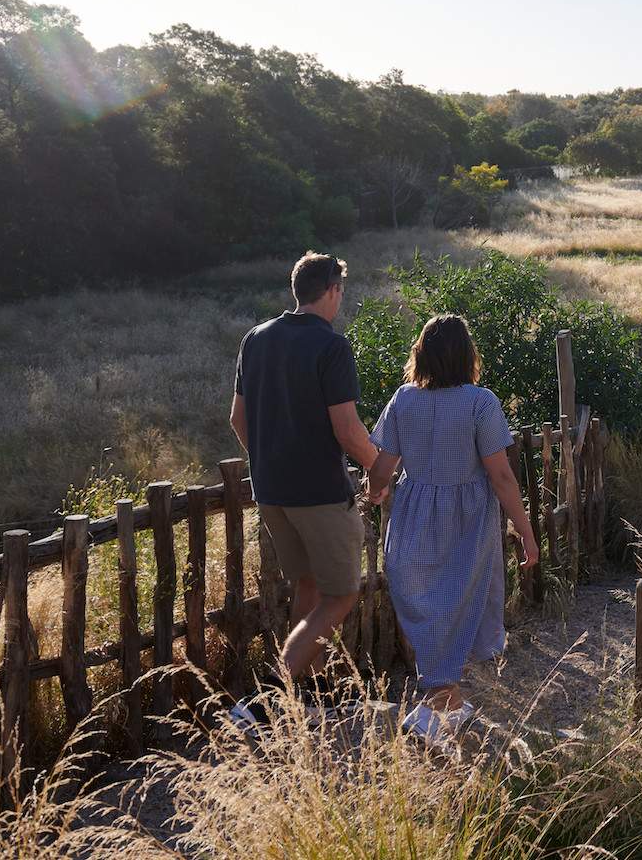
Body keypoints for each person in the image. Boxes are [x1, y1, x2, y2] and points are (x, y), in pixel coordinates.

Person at [365, 314, 540, 747]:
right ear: (466, 357)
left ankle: (448, 703)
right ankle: (433, 713)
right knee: (460, 603)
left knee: (433, 608)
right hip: (465, 525)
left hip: (412, 523)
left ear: (421, 354)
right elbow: (501, 476)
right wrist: (526, 531)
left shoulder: (403, 400)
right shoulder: (481, 403)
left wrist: (374, 492)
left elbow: (382, 469)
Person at [227, 252, 377, 729]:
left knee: (308, 585)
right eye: (341, 293)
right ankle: (269, 692)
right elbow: (349, 431)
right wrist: (382, 468)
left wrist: (271, 461)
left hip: (271, 491)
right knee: (342, 594)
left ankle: (311, 695)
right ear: (331, 290)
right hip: (319, 490)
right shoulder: (332, 347)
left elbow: (237, 419)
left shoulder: (256, 339)